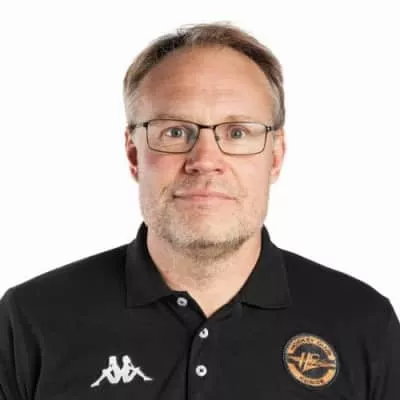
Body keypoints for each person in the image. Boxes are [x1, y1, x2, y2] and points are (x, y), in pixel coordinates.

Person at [0, 22, 399, 400]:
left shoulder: (363, 323)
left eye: (238, 132)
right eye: (175, 131)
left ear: (275, 157)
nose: (205, 160)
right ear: (134, 154)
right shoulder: (31, 320)